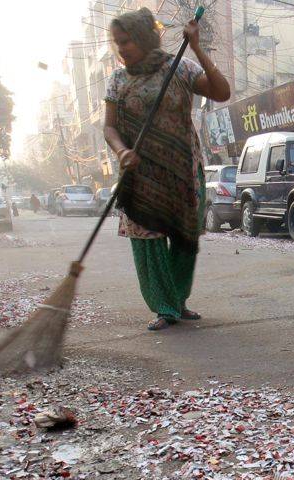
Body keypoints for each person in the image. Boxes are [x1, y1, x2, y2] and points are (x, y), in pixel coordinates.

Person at [103, 8, 230, 331]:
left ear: (144, 38)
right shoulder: (118, 80)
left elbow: (222, 91)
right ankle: (164, 305)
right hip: (140, 174)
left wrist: (198, 47)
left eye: (127, 41)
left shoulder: (180, 68)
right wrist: (121, 151)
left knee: (185, 239)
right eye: (117, 43)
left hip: (183, 170)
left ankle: (177, 300)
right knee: (149, 241)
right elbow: (109, 128)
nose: (121, 48)